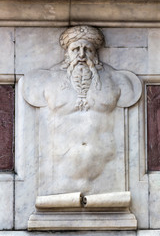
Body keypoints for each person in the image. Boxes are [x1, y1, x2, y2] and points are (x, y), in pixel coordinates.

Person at [23, 26, 141, 194]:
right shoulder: (48, 79)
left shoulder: (116, 79)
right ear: (67, 54)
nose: (81, 55)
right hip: (57, 177)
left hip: (108, 175)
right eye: (75, 49)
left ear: (96, 54)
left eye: (87, 49)